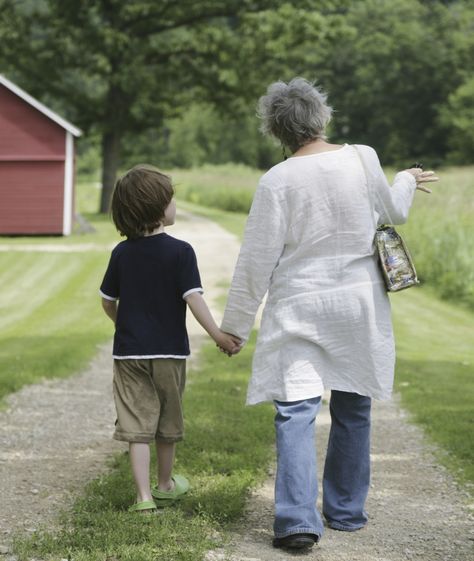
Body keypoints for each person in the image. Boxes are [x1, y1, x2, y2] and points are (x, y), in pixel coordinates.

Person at [220, 78, 438, 550]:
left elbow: (255, 261)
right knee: (354, 405)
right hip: (358, 303)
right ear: (322, 117)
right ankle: (345, 511)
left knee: (296, 410)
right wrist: (407, 178)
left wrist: (234, 326)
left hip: (298, 304)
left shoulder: (276, 180)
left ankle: (297, 519)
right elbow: (395, 211)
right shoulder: (362, 156)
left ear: (277, 131)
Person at [100, 164, 241, 513]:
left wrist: (123, 326)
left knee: (136, 425)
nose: (175, 205)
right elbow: (194, 300)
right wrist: (220, 336)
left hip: (129, 355)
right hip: (169, 353)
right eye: (171, 199)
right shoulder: (180, 252)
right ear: (158, 207)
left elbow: (107, 301)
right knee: (166, 421)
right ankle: (164, 485)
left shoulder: (121, 253)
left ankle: (143, 498)